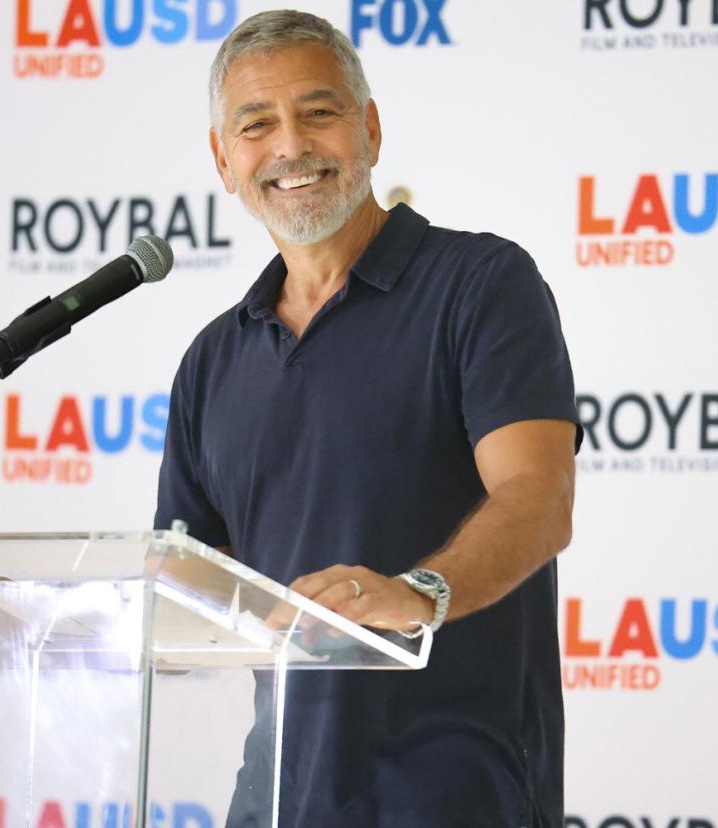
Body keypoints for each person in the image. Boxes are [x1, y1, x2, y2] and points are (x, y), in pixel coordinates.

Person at [154, 9, 580, 828]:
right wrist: (36, 628)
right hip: (274, 800)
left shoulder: (481, 285)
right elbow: (190, 591)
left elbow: (539, 499)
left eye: (319, 112)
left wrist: (422, 591)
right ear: (223, 159)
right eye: (256, 125)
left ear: (370, 128)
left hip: (456, 796)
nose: (290, 147)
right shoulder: (212, 360)